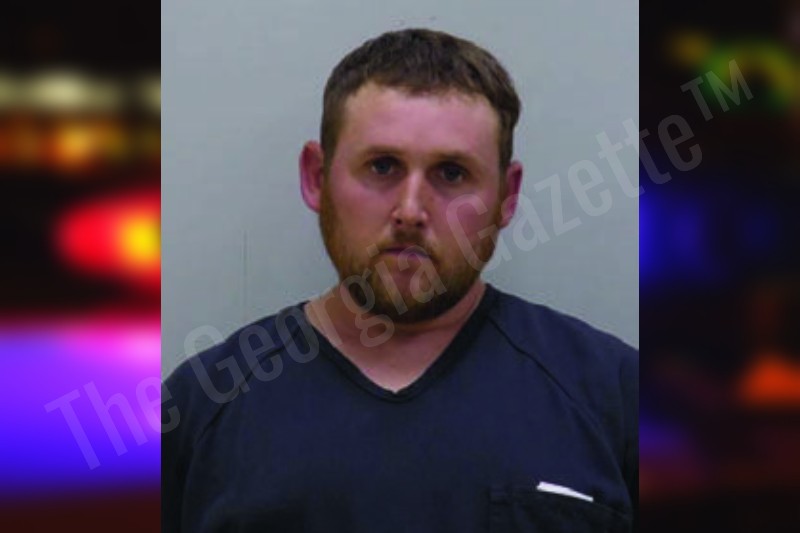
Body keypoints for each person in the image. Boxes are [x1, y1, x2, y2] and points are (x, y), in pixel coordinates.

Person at [162, 28, 638, 532]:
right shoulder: (200, 408)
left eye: (451, 173)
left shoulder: (616, 398)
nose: (410, 211)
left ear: (507, 195)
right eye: (382, 166)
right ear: (316, 178)